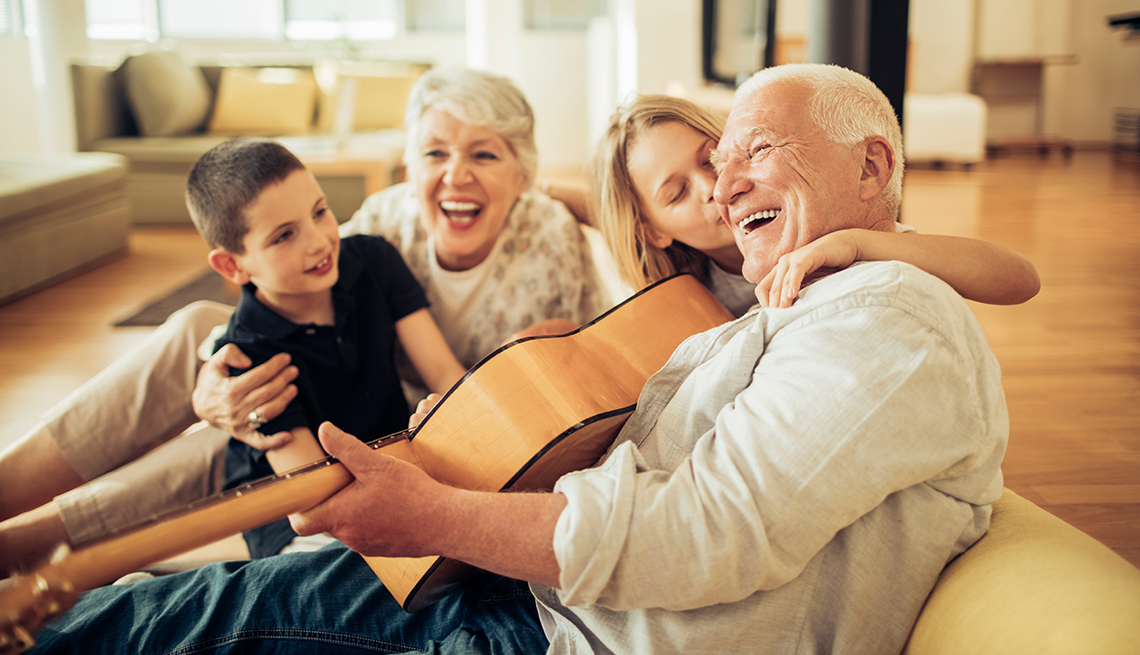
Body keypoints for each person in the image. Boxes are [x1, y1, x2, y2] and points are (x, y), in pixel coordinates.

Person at [27, 63, 1010, 655]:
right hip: (456, 506)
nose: (722, 186)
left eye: (750, 152)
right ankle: (31, 536)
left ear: (874, 166)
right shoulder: (380, 233)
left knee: (175, 617)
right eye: (711, 169)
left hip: (531, 592)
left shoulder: (878, 306)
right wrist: (222, 385)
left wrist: (445, 506)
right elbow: (284, 297)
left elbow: (702, 524)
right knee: (193, 400)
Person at [0, 68, 607, 573]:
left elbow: (537, 395)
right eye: (434, 153)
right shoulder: (384, 222)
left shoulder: (546, 242)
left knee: (253, 425)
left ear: (524, 173)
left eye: (484, 154)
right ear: (409, 163)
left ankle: (35, 544)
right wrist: (215, 384)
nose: (455, 175)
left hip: (407, 435)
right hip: (332, 394)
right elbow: (284, 278)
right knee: (206, 340)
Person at [187, 137, 467, 557]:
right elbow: (314, 492)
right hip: (299, 518)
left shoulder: (374, 259)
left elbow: (447, 378)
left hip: (391, 470)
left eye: (320, 212)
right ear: (234, 265)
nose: (318, 241)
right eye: (284, 236)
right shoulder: (247, 357)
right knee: (345, 569)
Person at [590, 93, 1040, 316]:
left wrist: (857, 244)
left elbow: (1020, 280)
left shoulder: (819, 233)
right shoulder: (683, 298)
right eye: (677, 193)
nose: (715, 186)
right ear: (651, 230)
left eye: (711, 157)